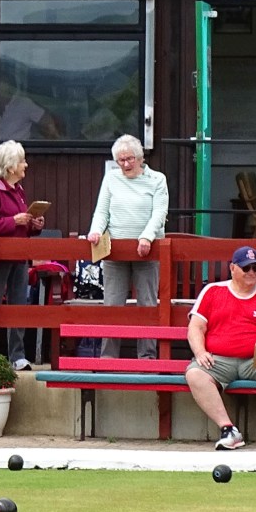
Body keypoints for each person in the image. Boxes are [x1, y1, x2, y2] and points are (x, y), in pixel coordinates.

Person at [184, 245, 256, 451]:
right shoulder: (212, 291)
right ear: (232, 268)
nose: (252, 272)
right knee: (194, 374)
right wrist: (200, 352)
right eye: (246, 268)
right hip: (218, 360)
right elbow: (196, 327)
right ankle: (228, 430)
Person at [87, 135, 169, 359]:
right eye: (121, 160)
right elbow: (102, 211)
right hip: (114, 251)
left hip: (148, 251)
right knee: (112, 305)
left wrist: (147, 237)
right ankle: (108, 358)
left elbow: (159, 212)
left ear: (140, 158)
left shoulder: (157, 179)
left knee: (147, 305)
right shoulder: (111, 178)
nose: (125, 164)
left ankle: (148, 358)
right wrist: (95, 231)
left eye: (130, 159)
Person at [0, 140, 45, 371]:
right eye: (22, 161)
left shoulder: (17, 190)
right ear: (10, 166)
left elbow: (19, 226)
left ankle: (17, 356)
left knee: (18, 305)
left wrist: (33, 225)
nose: (26, 165)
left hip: (19, 255)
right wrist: (13, 221)